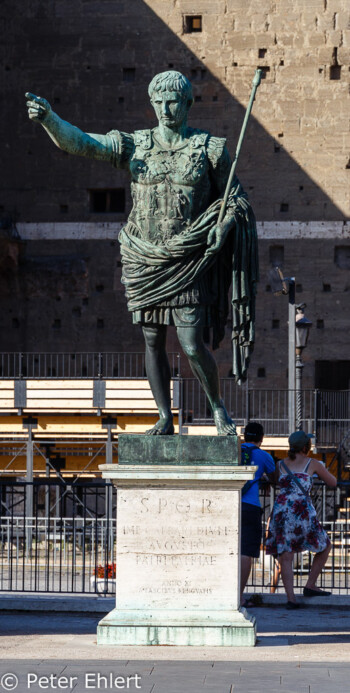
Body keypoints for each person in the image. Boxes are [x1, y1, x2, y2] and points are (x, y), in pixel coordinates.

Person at [25, 71, 258, 436]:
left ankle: (217, 408)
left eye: (174, 102)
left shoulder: (210, 149)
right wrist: (50, 120)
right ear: (152, 104)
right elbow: (83, 143)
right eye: (159, 102)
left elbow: (236, 200)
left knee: (191, 343)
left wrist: (224, 225)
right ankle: (164, 417)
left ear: (188, 104)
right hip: (143, 256)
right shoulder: (135, 145)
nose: (166, 109)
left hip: (188, 258)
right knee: (152, 339)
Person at [265, 430, 337, 609]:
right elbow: (333, 482)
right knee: (325, 545)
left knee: (286, 554)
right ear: (306, 447)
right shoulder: (313, 463)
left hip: (282, 511)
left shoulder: (280, 464)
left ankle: (291, 599)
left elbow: (273, 480)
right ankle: (310, 584)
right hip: (302, 511)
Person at [240, 421, 275, 607]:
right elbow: (275, 477)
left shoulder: (234, 452)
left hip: (230, 504)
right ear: (261, 438)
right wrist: (263, 478)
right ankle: (239, 597)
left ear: (245, 436)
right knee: (246, 552)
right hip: (251, 506)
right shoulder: (264, 456)